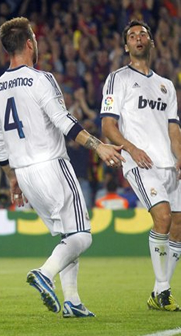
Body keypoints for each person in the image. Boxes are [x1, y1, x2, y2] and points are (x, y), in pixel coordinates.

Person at [0, 17, 125, 318]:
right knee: (83, 236)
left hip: (24, 172)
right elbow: (64, 122)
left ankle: (72, 301)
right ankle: (44, 274)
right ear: (29, 43)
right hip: (52, 165)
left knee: (68, 236)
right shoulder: (40, 79)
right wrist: (98, 145)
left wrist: (12, 178)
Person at [101, 20, 181, 312]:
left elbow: (174, 128)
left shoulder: (166, 86)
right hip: (140, 162)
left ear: (151, 42)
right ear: (126, 46)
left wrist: (180, 156)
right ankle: (163, 292)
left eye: (142, 34)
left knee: (177, 226)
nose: (137, 38)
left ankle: (159, 290)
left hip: (169, 164)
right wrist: (132, 149)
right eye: (132, 36)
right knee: (161, 217)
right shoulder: (118, 79)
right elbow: (108, 125)